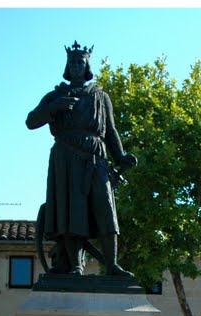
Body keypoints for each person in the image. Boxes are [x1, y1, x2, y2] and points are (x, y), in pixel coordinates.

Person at [26, 41, 138, 277]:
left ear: (87, 65)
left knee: (106, 209)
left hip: (96, 158)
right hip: (65, 157)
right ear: (67, 67)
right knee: (71, 211)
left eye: (80, 61)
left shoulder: (100, 96)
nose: (76, 65)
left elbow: (111, 131)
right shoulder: (55, 95)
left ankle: (112, 265)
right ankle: (76, 266)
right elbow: (31, 121)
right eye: (72, 62)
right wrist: (55, 108)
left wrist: (120, 156)